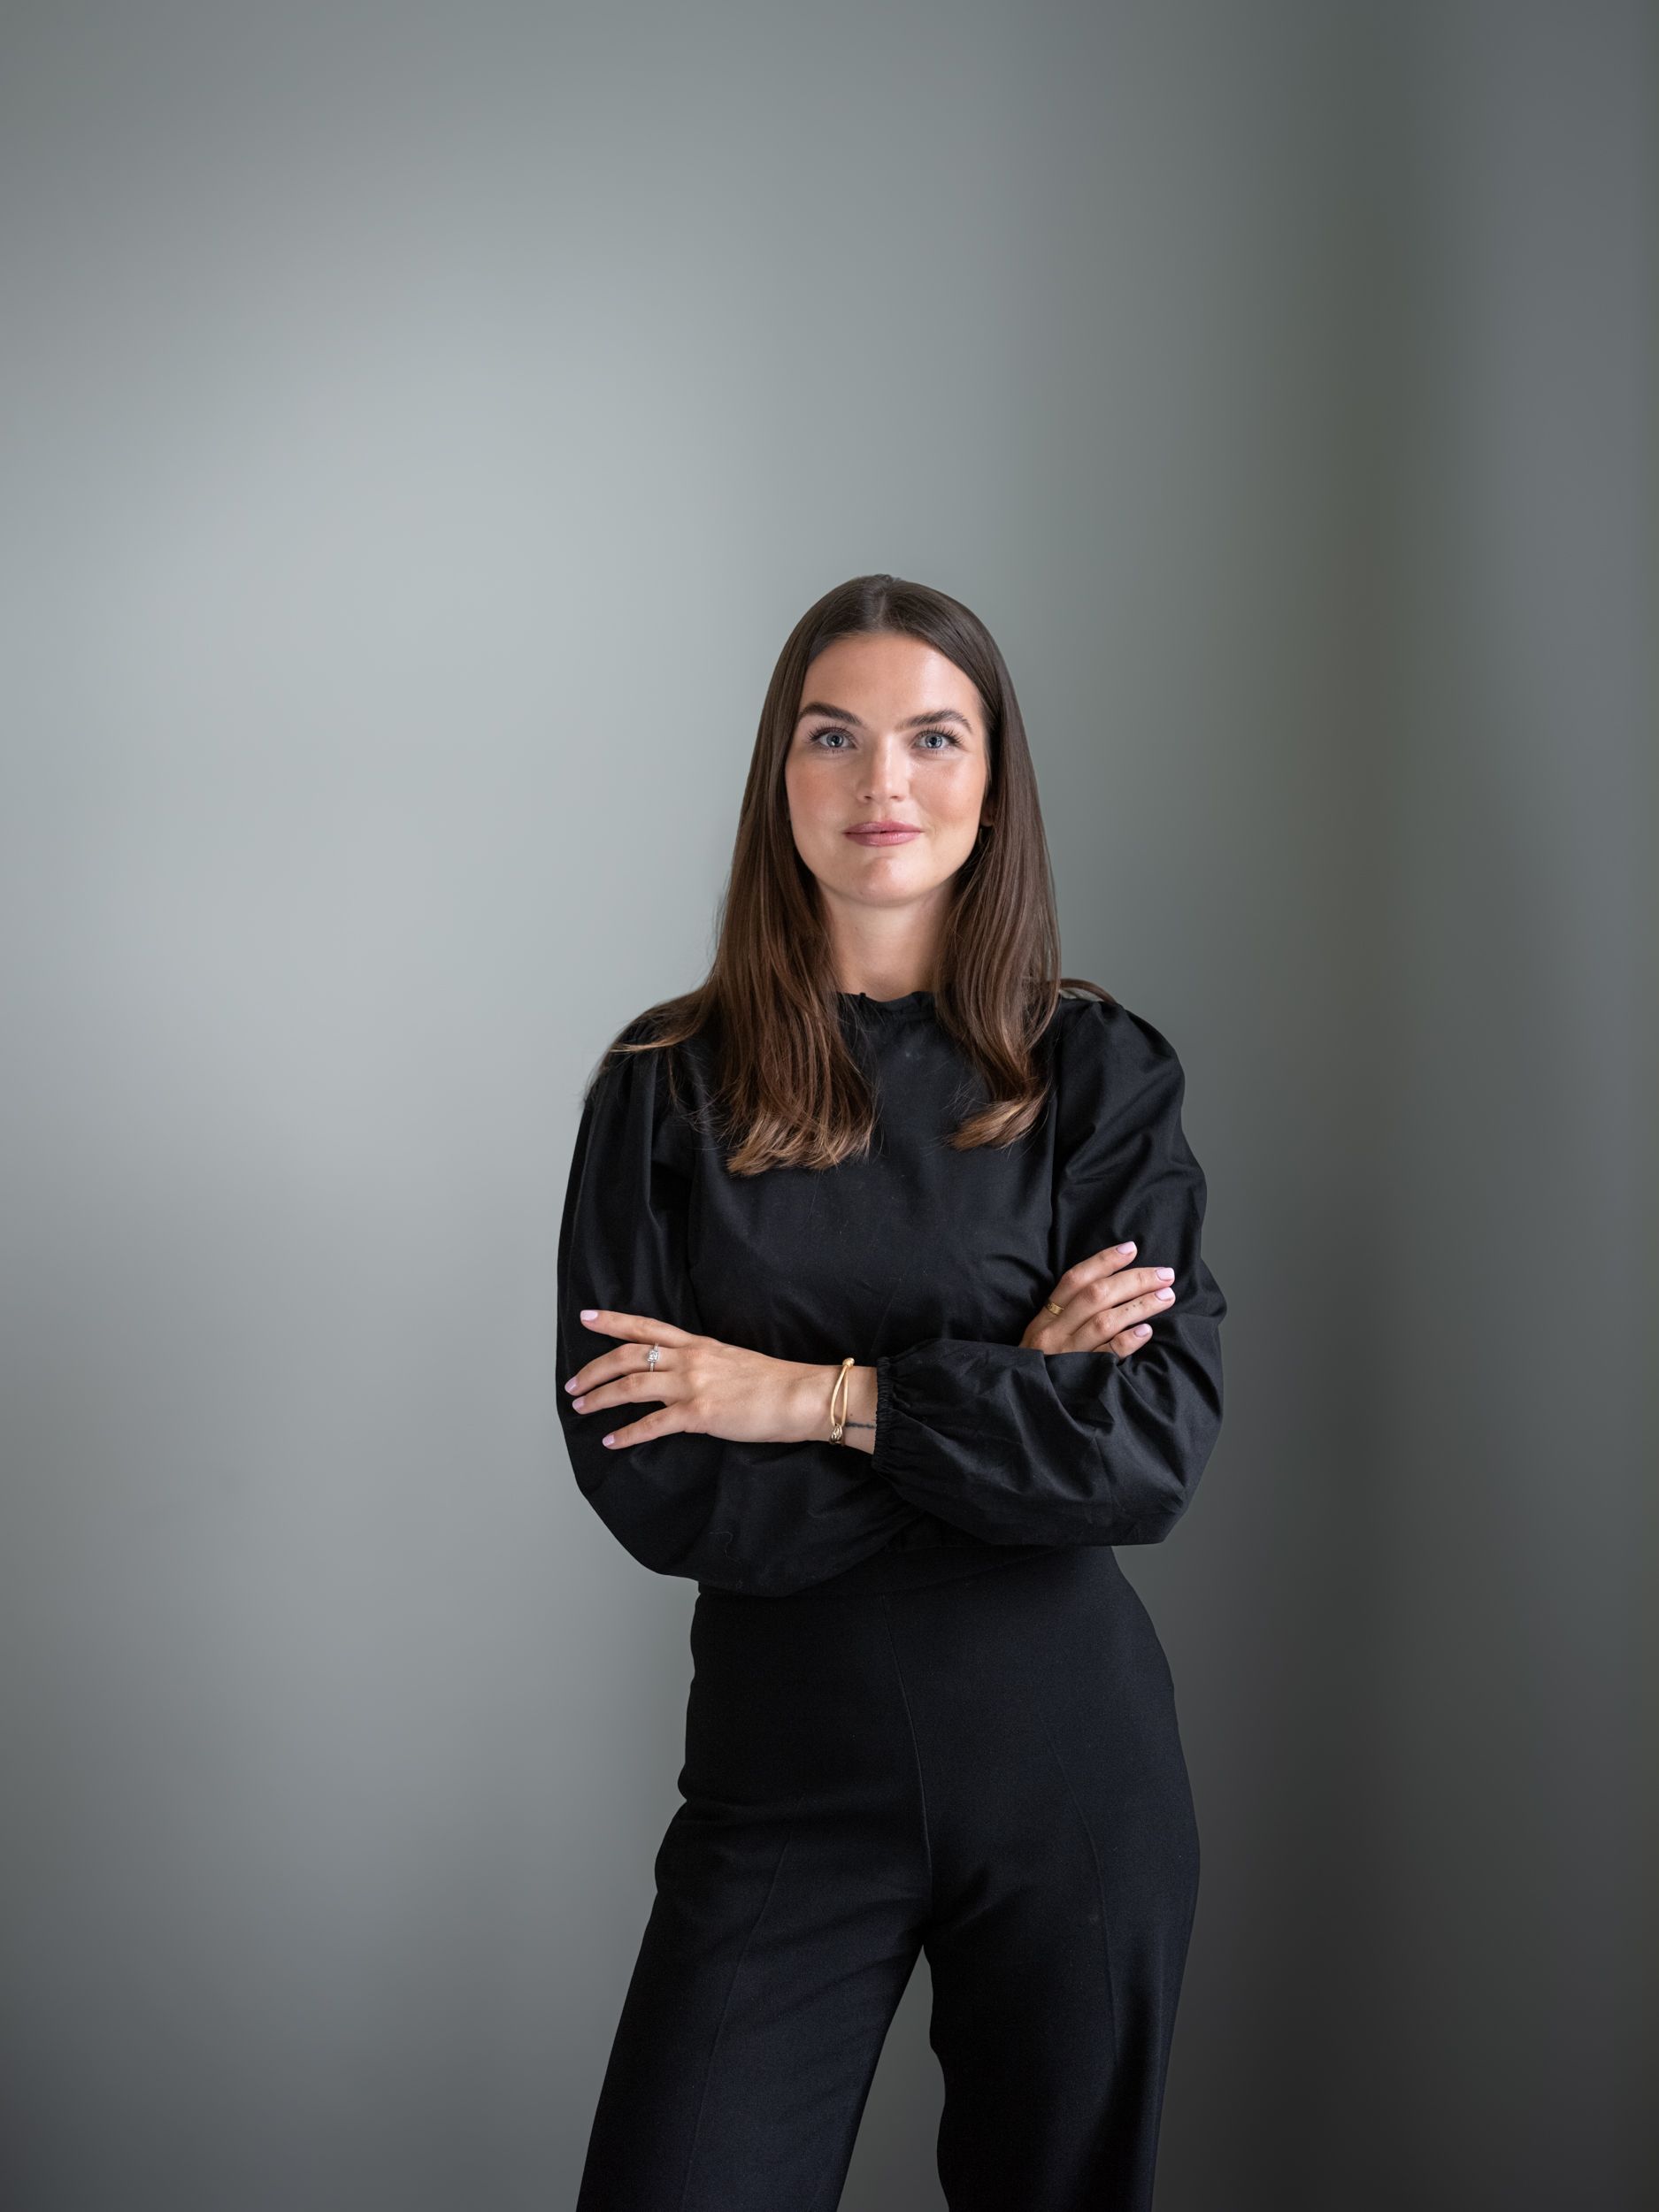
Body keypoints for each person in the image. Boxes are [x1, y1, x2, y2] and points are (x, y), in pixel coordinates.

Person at [555, 572, 1227, 2212]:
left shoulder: (1100, 1076)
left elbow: (1144, 1454)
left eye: (934, 738)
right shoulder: (663, 1090)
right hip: (782, 1774)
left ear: (994, 781)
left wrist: (807, 1400)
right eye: (833, 737)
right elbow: (652, 1477)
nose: (883, 784)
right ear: (779, 777)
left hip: (1068, 1765)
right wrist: (1006, 1406)